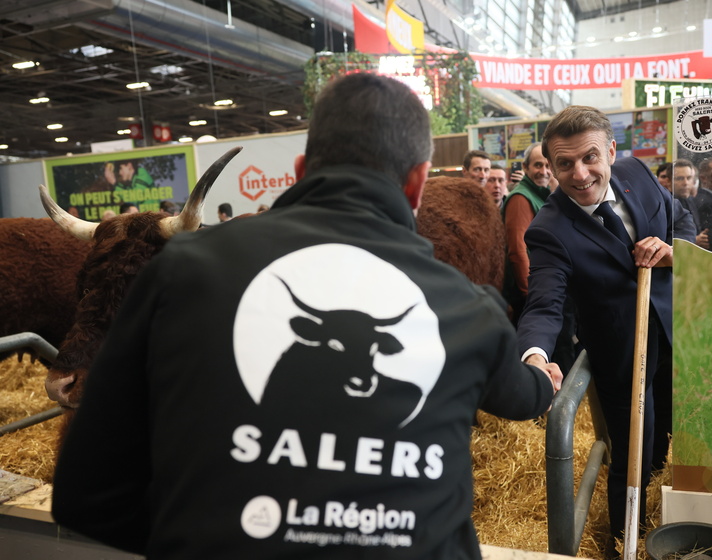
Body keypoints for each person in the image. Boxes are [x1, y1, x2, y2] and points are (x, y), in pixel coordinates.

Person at [51, 72, 562, 560]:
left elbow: (85, 497)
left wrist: (208, 536)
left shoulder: (178, 274)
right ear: (418, 185)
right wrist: (543, 374)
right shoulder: (467, 306)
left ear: (298, 172)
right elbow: (523, 398)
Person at [515, 105, 695, 558]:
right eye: (564, 164)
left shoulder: (638, 172)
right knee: (637, 455)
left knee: (686, 441)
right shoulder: (548, 230)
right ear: (550, 167)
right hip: (622, 356)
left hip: (682, 335)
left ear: (612, 151)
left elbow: (684, 221)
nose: (579, 173)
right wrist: (534, 355)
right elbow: (544, 304)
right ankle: (625, 544)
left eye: (590, 157)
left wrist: (675, 252)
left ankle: (683, 527)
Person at [501, 142, 553, 326]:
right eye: (538, 165)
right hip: (531, 295)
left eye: (548, 165)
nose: (544, 171)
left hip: (542, 288)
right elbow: (517, 251)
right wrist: (530, 295)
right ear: (525, 167)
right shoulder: (521, 198)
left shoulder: (540, 195)